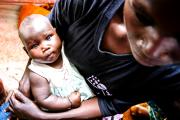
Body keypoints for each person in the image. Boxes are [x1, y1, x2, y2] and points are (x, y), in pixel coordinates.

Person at [9, 0, 180, 119]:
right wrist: (28, 76)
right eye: (142, 16)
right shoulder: (91, 4)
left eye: (178, 38)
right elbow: (50, 26)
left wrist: (44, 117)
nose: (151, 49)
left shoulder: (171, 76)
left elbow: (109, 105)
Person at [18, 14, 95, 111]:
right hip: (63, 110)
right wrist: (68, 102)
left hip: (89, 102)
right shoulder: (38, 73)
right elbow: (44, 99)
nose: (45, 47)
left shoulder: (66, 48)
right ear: (27, 52)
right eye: (34, 46)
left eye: (48, 37)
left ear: (57, 33)